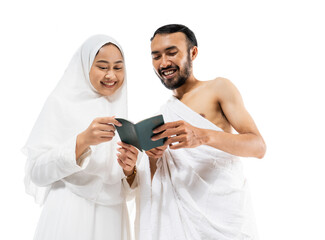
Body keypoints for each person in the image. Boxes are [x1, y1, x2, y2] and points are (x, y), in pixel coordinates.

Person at [135, 24, 266, 240]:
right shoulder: (164, 114)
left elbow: (258, 147)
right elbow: (158, 181)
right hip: (181, 223)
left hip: (223, 217)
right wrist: (153, 158)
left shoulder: (218, 88)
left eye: (171, 52)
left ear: (193, 53)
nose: (164, 62)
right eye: (156, 56)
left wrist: (202, 135)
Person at [22, 35, 139, 240]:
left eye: (118, 68)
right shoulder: (61, 103)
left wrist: (130, 171)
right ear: (85, 66)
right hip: (70, 212)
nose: (111, 75)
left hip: (112, 218)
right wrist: (82, 141)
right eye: (102, 67)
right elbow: (36, 172)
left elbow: (121, 185)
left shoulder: (120, 107)